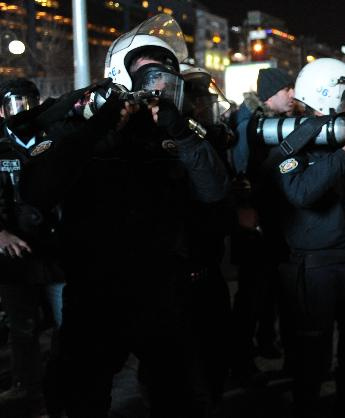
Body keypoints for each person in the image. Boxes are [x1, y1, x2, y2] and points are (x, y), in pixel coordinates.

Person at [18, 14, 230, 418]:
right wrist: (97, 128)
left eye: (164, 77)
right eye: (146, 77)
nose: (157, 87)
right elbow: (39, 188)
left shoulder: (178, 131)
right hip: (97, 290)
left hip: (163, 288)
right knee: (80, 393)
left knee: (180, 395)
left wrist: (182, 134)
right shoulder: (85, 127)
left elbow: (214, 190)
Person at [273, 58, 345, 418]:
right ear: (324, 97)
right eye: (344, 98)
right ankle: (306, 406)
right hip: (315, 266)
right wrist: (344, 155)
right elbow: (302, 193)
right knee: (312, 351)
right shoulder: (293, 140)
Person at [0, 78, 64, 417]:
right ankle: (27, 384)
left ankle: (64, 383)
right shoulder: (0, 145)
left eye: (28, 101)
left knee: (65, 321)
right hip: (14, 254)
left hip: (54, 251)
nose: (22, 109)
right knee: (21, 326)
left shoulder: (54, 139)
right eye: (14, 102)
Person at [227, 67, 295, 380]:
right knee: (253, 294)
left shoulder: (270, 121)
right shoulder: (248, 123)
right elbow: (242, 173)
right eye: (286, 90)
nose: (292, 95)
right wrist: (247, 210)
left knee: (270, 291)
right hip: (254, 224)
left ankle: (265, 341)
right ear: (270, 94)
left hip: (272, 220)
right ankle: (241, 357)